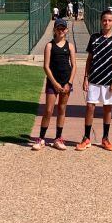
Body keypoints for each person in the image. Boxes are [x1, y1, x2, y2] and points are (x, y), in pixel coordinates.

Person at [76, 9, 112, 152]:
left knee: (107, 108)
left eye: (109, 20)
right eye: (104, 20)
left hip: (109, 81)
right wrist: (85, 78)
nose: (106, 22)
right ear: (100, 21)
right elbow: (89, 59)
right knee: (90, 107)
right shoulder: (94, 38)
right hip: (94, 80)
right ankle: (86, 138)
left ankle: (105, 139)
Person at [32, 18, 76, 151]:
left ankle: (58, 138)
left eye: (63, 28)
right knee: (49, 110)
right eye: (58, 28)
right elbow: (46, 67)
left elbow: (74, 66)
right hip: (53, 83)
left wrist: (69, 83)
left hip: (66, 82)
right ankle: (41, 139)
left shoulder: (70, 46)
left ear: (66, 30)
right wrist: (55, 83)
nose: (61, 30)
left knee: (62, 109)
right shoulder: (49, 46)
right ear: (55, 30)